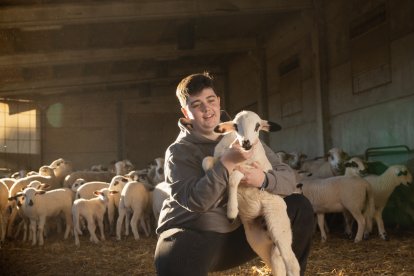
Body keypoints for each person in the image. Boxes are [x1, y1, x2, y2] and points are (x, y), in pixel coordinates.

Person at [154, 72, 315, 276]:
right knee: (173, 258)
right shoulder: (179, 151)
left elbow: (288, 177)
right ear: (186, 112)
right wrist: (227, 162)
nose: (207, 108)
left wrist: (263, 179)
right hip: (198, 233)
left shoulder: (243, 135)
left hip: (242, 231)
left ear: (218, 101)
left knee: (300, 206)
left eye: (210, 100)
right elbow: (197, 202)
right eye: (196, 105)